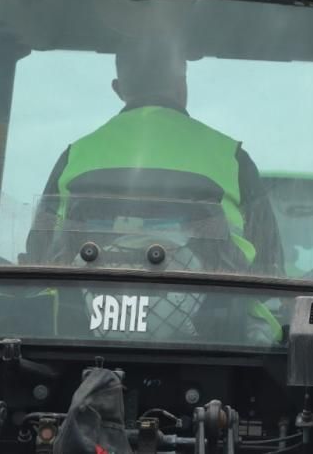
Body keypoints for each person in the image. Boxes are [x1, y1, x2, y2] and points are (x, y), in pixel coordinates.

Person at [24, 36, 283, 341]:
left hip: (80, 337)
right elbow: (269, 268)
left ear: (119, 89)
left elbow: (39, 253)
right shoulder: (231, 157)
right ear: (182, 86)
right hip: (215, 341)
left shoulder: (75, 156)